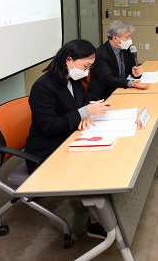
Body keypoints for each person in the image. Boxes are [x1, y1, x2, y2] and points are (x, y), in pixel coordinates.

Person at [25, 39, 110, 238]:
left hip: (68, 138)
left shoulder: (73, 79)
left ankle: (101, 215)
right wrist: (83, 112)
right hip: (46, 150)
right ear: (69, 60)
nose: (87, 72)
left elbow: (82, 101)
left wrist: (90, 108)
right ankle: (97, 221)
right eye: (85, 66)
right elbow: (51, 126)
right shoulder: (43, 87)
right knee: (93, 167)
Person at [88, 20, 149, 100]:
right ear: (115, 38)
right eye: (127, 37)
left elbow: (131, 69)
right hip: (105, 96)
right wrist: (131, 83)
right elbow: (108, 79)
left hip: (122, 89)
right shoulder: (101, 53)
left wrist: (135, 73)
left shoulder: (127, 49)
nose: (130, 40)